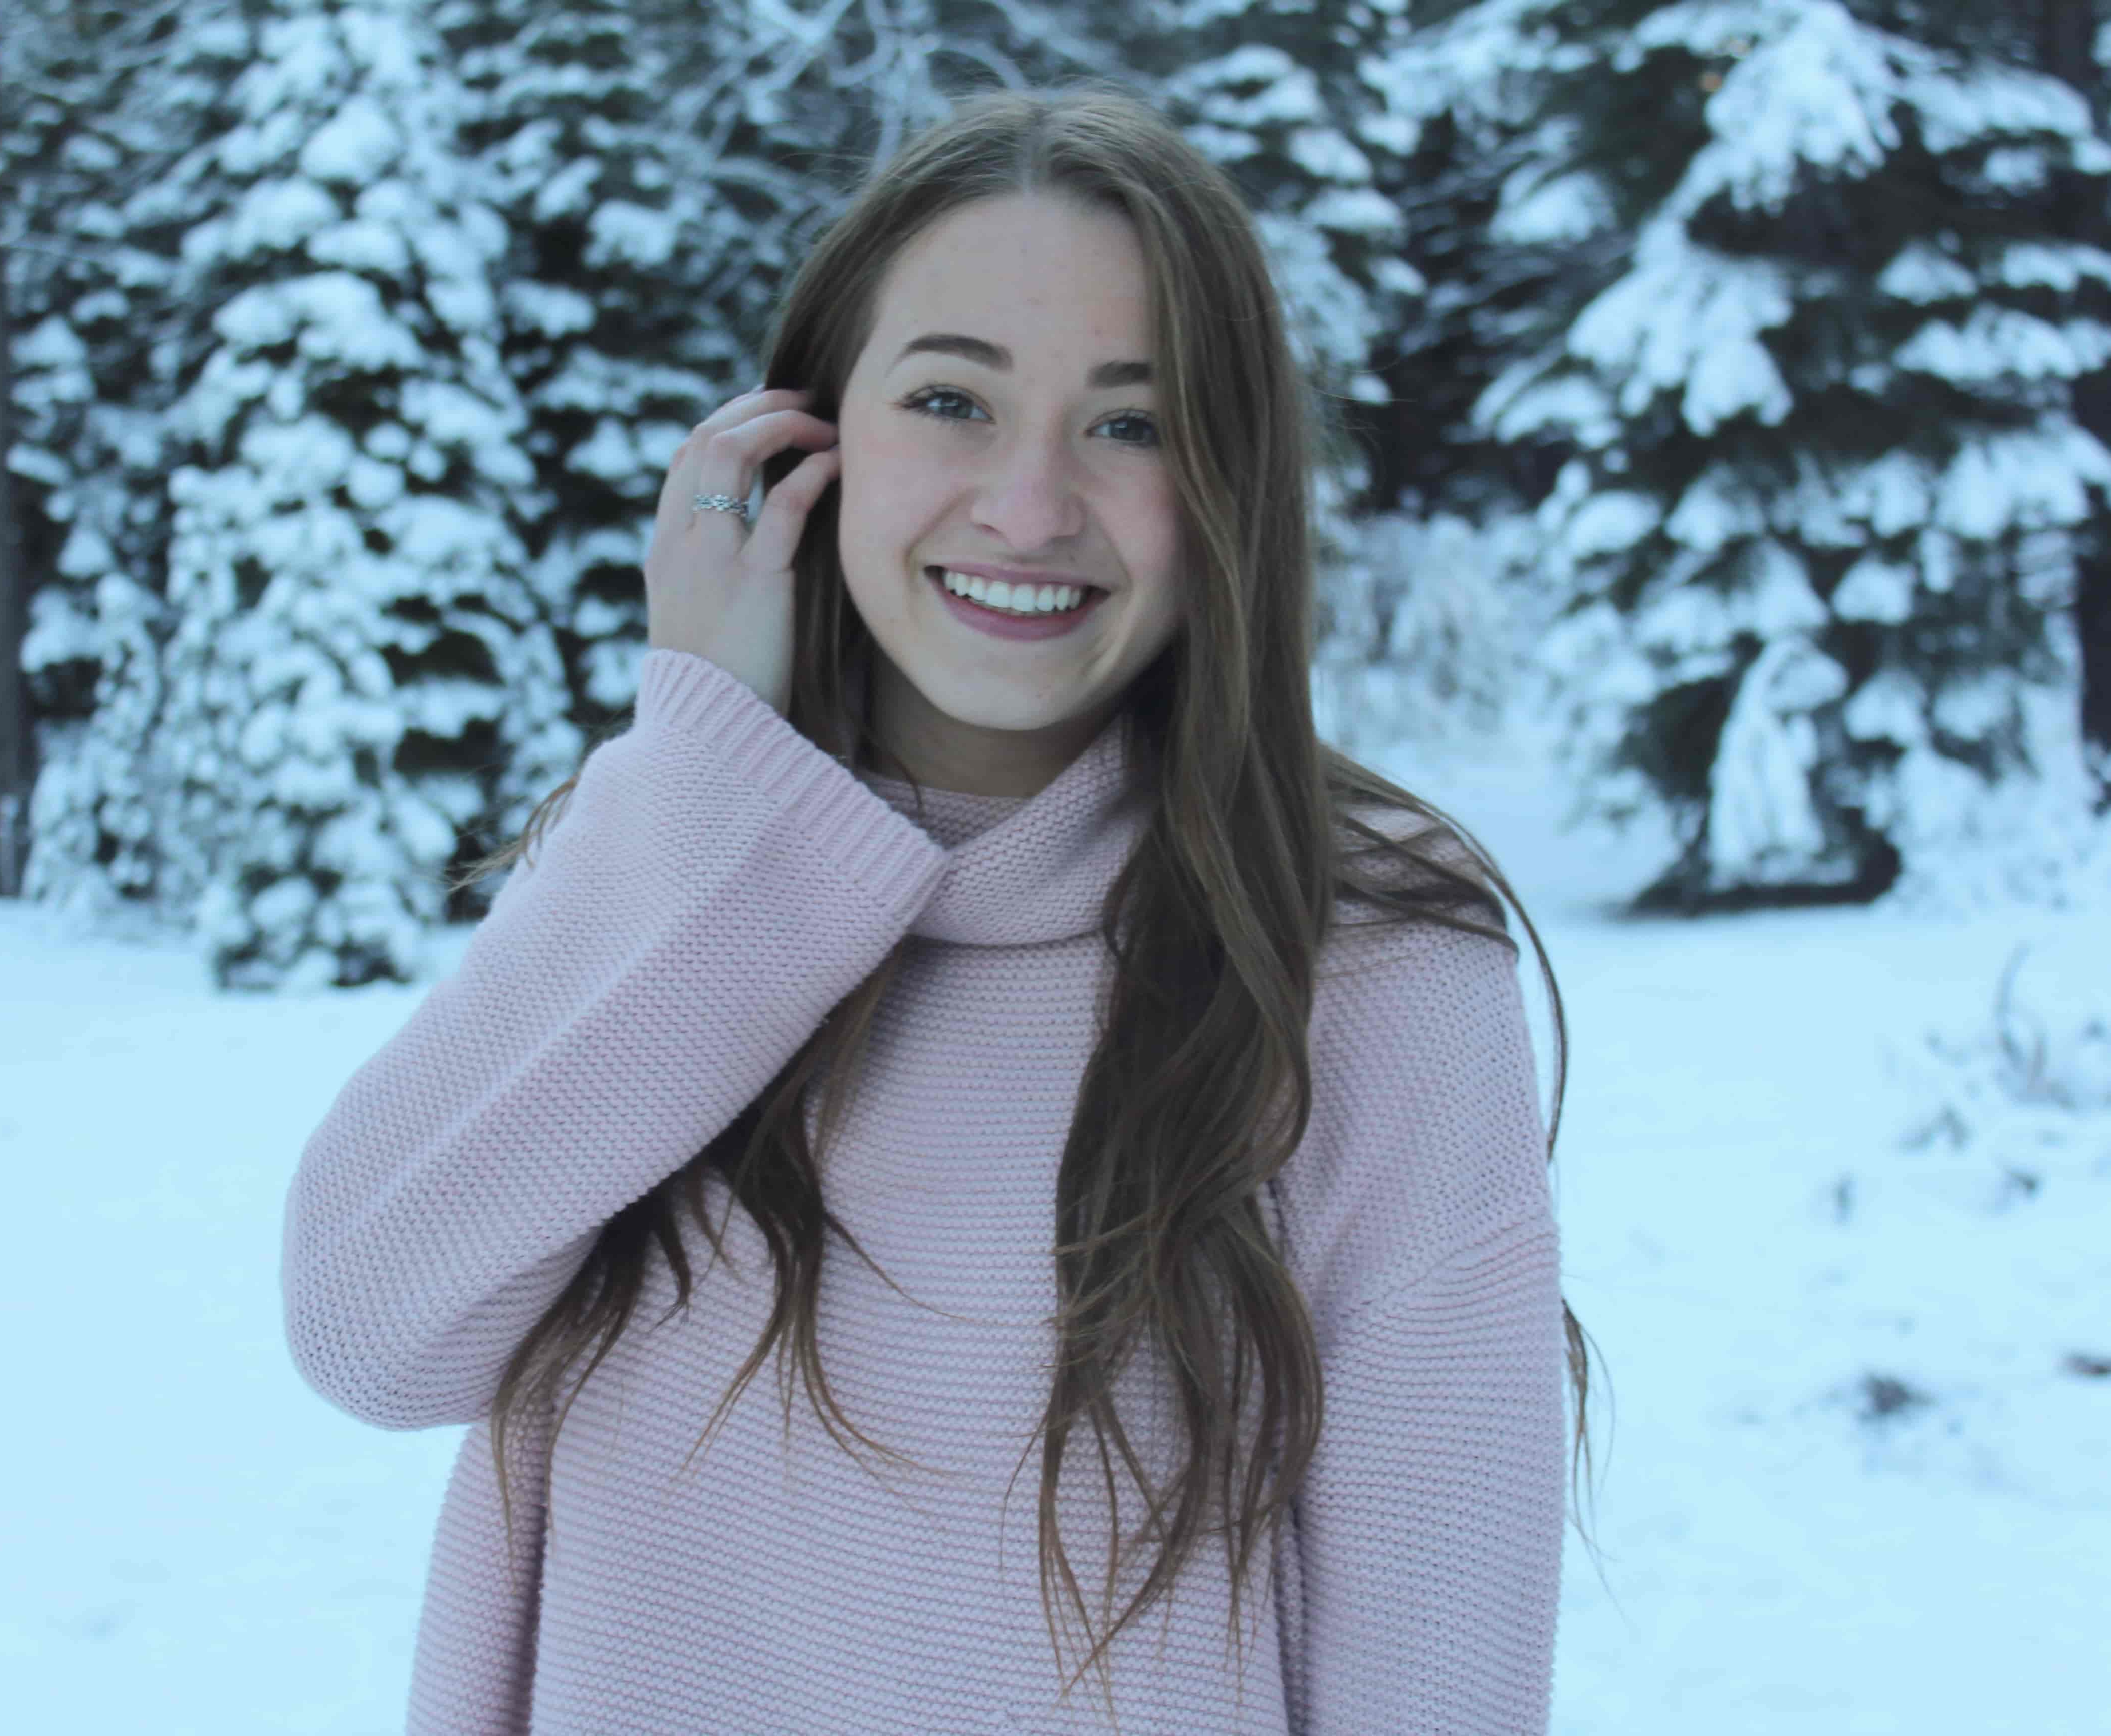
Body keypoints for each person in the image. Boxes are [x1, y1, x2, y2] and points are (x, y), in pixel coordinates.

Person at [283, 80, 1596, 1736]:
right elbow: (366, 1323)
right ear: (810, 440)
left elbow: (1438, 1666)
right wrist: (705, 769)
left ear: (1229, 487)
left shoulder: (1364, 955)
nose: (1032, 506)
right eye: (952, 401)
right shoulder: (681, 873)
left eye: (1132, 422)